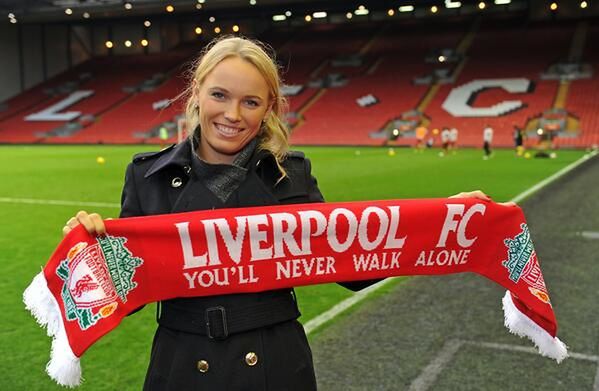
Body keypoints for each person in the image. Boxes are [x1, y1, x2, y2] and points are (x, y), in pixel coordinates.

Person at [62, 36, 493, 390]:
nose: (232, 114)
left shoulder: (291, 175)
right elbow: (129, 291)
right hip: (180, 365)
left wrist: (447, 221)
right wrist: (94, 252)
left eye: (251, 102)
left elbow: (350, 264)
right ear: (196, 93)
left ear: (269, 107)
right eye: (219, 95)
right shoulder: (147, 177)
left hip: (274, 364)